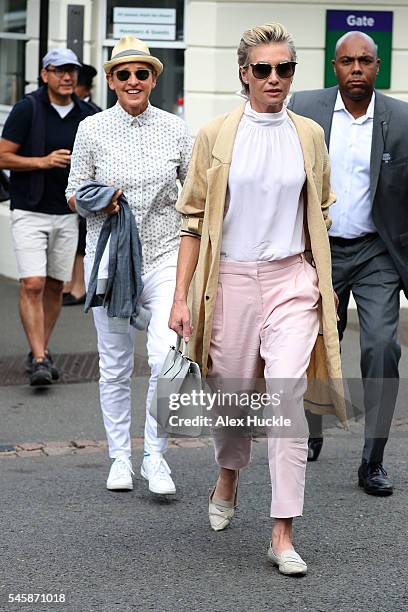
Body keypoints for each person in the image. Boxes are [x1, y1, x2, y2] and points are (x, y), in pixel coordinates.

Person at [169, 23, 344, 576]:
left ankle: (282, 533)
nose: (274, 78)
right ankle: (229, 470)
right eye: (262, 69)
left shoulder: (310, 135)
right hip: (231, 283)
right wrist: (180, 298)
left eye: (284, 68)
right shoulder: (216, 134)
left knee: (286, 402)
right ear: (243, 74)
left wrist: (319, 282)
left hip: (293, 280)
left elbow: (321, 210)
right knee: (234, 397)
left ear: (294, 73)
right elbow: (193, 222)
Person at [66, 36, 192, 495]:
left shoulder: (177, 129)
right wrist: (100, 199)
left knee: (164, 356)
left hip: (164, 256)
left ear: (154, 78)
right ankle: (120, 457)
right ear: (113, 81)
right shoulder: (92, 129)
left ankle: (154, 455)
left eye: (142, 73)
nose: (133, 80)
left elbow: (193, 194)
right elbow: (73, 193)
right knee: (115, 364)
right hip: (109, 259)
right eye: (124, 74)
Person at [288, 31, 408, 496]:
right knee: (314, 344)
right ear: (333, 67)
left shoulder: (400, 119)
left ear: (378, 67)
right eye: (346, 62)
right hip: (319, 250)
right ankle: (311, 429)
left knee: (381, 348)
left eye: (364, 61)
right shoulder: (305, 108)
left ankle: (372, 461)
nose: (355, 69)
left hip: (378, 251)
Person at [0, 48, 96, 386]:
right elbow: (3, 156)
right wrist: (42, 161)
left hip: (68, 213)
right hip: (29, 210)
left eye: (72, 71)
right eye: (59, 71)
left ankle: (39, 348)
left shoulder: (88, 114)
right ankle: (40, 358)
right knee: (33, 283)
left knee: (57, 286)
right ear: (45, 75)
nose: (68, 77)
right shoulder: (28, 108)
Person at [63, 64, 102, 307]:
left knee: (81, 237)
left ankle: (78, 287)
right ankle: (71, 284)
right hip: (69, 180)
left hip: (88, 184)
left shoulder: (91, 113)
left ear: (82, 87)